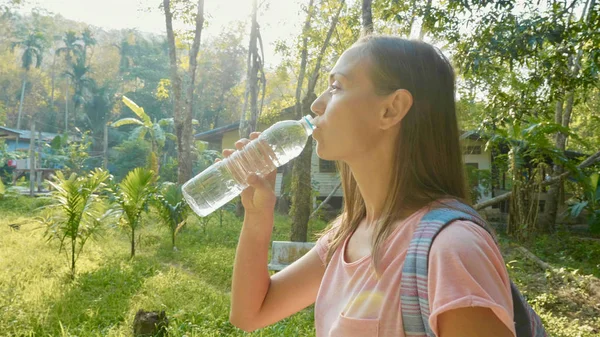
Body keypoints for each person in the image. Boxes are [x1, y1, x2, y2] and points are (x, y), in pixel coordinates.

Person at [224, 35, 516, 337]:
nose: (317, 104)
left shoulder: (452, 249)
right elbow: (250, 313)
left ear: (391, 109)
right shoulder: (348, 235)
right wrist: (258, 217)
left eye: (336, 86)